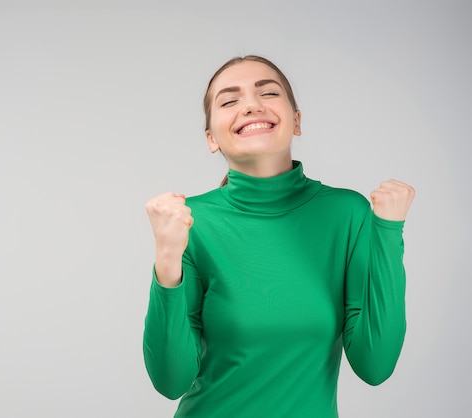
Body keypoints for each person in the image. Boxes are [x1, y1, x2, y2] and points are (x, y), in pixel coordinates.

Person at [142, 55, 415, 417]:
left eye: (267, 93)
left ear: (296, 120)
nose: (251, 105)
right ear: (211, 138)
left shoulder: (347, 214)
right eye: (229, 100)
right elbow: (170, 380)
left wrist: (388, 232)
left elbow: (375, 365)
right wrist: (167, 261)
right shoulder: (191, 221)